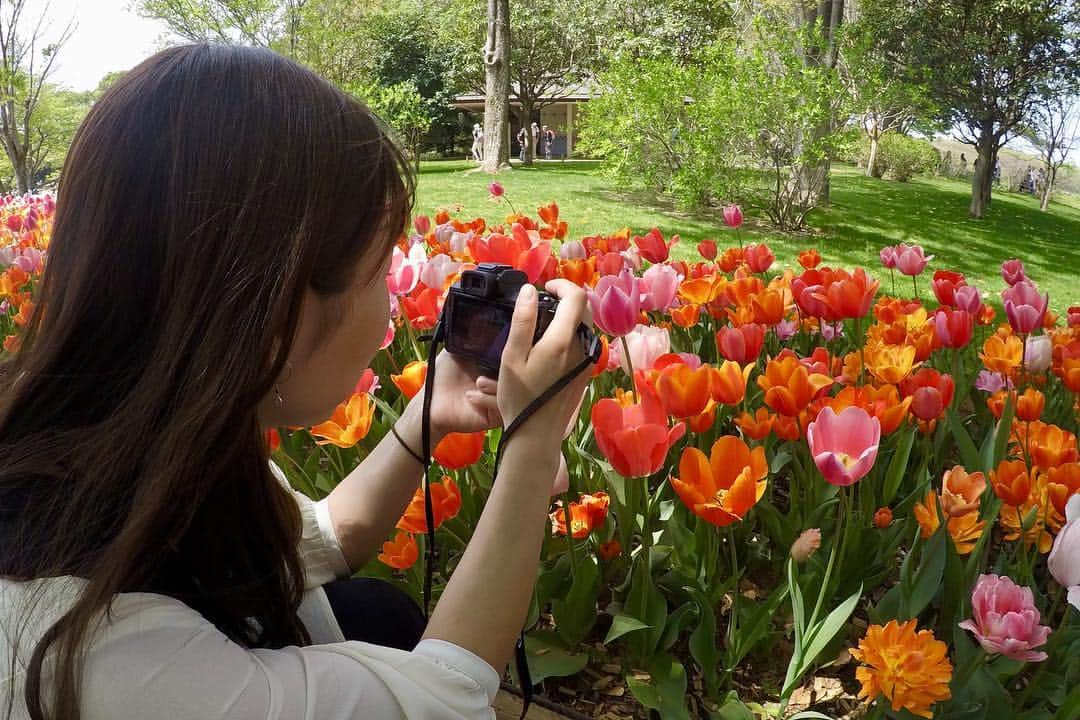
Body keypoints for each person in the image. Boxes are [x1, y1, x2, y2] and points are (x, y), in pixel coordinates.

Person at [0, 44, 593, 720]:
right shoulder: (97, 656)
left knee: (372, 612)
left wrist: (422, 419)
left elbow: (311, 541)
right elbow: (445, 702)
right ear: (277, 315)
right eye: (380, 271)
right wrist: (533, 447)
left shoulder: (122, 443)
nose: (390, 314)